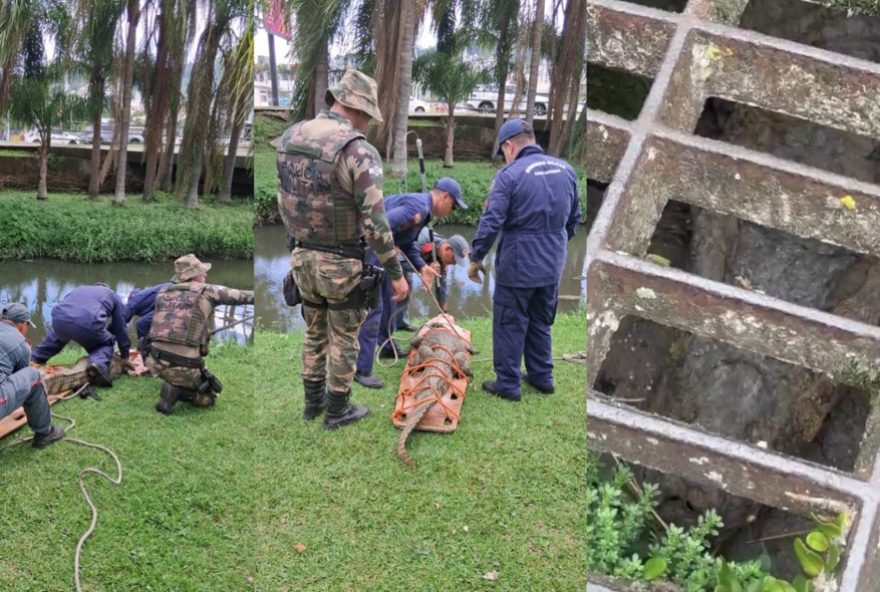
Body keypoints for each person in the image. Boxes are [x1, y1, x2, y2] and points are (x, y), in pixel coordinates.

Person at [277, 68, 408, 429]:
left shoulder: (291, 136)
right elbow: (377, 224)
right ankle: (337, 410)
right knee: (344, 337)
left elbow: (283, 199)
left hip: (301, 258)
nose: (366, 123)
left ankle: (311, 405)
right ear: (357, 108)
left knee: (315, 332)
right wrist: (396, 275)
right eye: (367, 114)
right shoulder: (357, 150)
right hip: (342, 264)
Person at [467, 119, 581, 401]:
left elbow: (491, 221)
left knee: (510, 322)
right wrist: (553, 246)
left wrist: (476, 256)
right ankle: (543, 378)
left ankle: (508, 384)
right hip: (552, 266)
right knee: (540, 321)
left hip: (518, 265)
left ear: (509, 145)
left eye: (503, 151)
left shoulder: (510, 175)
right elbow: (574, 221)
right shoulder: (567, 170)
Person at [353, 177, 467, 389]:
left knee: (389, 301)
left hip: (382, 255)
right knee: (374, 308)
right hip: (369, 252)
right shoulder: (418, 208)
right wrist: (397, 275)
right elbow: (378, 229)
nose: (451, 212)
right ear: (445, 197)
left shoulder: (423, 212)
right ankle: (361, 370)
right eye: (453, 206)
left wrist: (421, 266)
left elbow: (406, 241)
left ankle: (386, 345)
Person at [144, 254, 254, 415]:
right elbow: (248, 296)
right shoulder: (208, 291)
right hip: (183, 365)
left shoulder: (163, 291)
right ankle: (176, 391)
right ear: (195, 274)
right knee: (210, 397)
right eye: (203, 271)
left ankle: (173, 381)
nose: (206, 274)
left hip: (152, 360)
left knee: (178, 368)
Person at [31, 284, 131, 388]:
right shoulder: (113, 295)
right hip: (87, 322)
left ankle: (34, 359)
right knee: (105, 344)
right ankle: (97, 365)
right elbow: (121, 326)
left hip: (59, 316)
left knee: (58, 336)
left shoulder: (80, 288)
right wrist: (125, 354)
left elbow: (67, 304)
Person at [0, 304, 64, 448]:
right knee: (34, 377)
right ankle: (45, 434)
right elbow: (24, 382)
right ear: (22, 325)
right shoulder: (21, 343)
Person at [394, 229, 469, 329]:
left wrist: (444, 313)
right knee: (403, 287)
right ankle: (384, 325)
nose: (454, 263)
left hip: (407, 263)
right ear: (447, 249)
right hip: (390, 257)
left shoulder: (441, 258)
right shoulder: (421, 242)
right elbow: (398, 262)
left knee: (407, 288)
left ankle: (400, 323)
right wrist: (425, 267)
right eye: (454, 259)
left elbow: (442, 286)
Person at [125, 280, 174, 351]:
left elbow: (121, 321)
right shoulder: (148, 296)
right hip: (172, 295)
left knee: (141, 323)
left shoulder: (134, 302)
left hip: (170, 295)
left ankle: (143, 351)